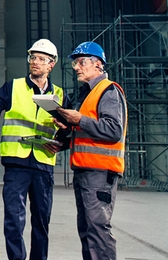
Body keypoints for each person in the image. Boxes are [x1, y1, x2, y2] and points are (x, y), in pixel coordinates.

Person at [0, 38, 67, 260]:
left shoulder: (60, 95)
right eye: (32, 58)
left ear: (51, 64)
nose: (35, 62)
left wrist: (61, 141)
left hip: (43, 164)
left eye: (41, 59)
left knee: (41, 221)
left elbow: (68, 130)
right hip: (17, 164)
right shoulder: (13, 87)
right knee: (14, 220)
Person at [52, 41, 128, 260]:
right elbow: (88, 134)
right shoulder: (88, 94)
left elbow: (113, 130)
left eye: (81, 62)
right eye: (75, 63)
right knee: (87, 228)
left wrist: (80, 120)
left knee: (97, 229)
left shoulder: (109, 91)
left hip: (100, 173)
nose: (76, 67)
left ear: (98, 65)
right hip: (86, 171)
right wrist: (65, 138)